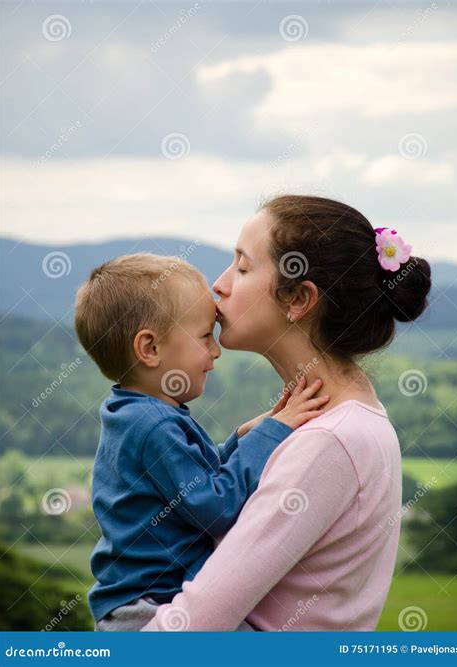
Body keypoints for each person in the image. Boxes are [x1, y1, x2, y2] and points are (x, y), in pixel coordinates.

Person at [142, 195, 432, 631]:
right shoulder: (345, 417)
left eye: (242, 268)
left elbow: (192, 626)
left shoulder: (329, 441)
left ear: (298, 297)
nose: (218, 285)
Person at [74, 252, 329, 630]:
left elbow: (194, 479)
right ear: (150, 349)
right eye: (204, 336)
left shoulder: (136, 412)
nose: (215, 351)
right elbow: (215, 506)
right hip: (148, 610)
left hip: (140, 602)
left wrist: (248, 435)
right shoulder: (152, 425)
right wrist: (275, 433)